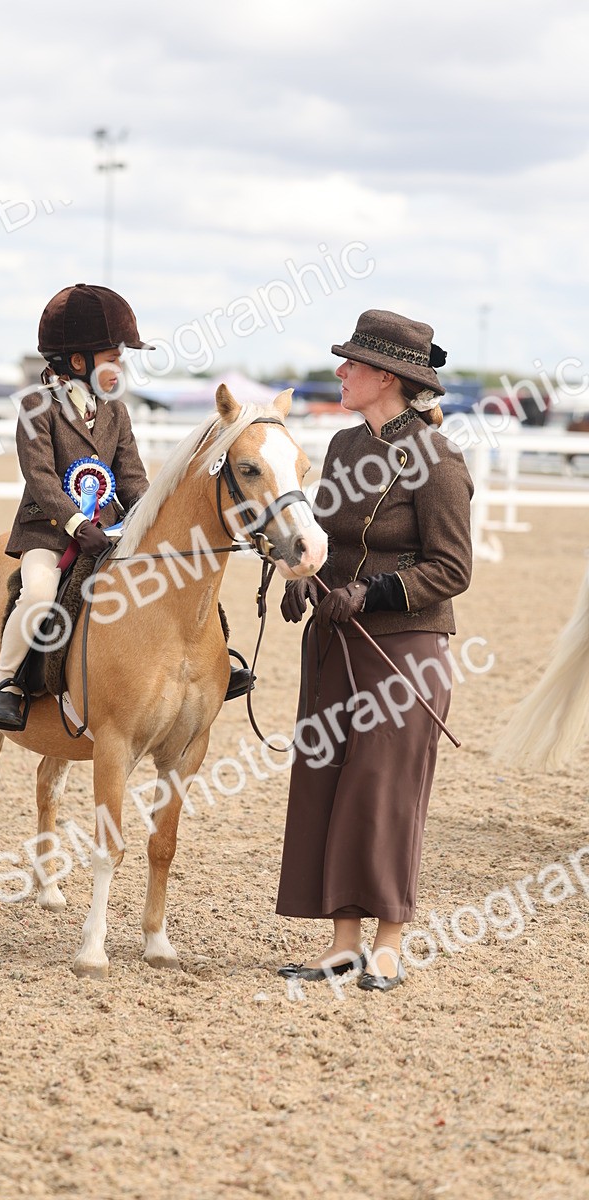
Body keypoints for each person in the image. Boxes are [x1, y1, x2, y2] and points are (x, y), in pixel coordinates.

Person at [275, 309, 474, 993]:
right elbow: (325, 538)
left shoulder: (439, 460)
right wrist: (303, 580)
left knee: (382, 792)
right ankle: (343, 945)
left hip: (404, 653)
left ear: (385, 377)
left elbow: (452, 568)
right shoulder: (342, 447)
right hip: (335, 643)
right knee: (327, 782)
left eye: (351, 364)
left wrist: (375, 591)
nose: (340, 372)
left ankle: (388, 946)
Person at [0, 282, 253, 731]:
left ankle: (214, 659)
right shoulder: (37, 406)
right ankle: (5, 682)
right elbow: (41, 478)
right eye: (114, 357)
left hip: (109, 531)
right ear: (78, 362)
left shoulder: (115, 412)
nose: (121, 366)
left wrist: (153, 518)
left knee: (179, 571)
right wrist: (76, 524)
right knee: (38, 595)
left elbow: (131, 478)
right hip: (49, 532)